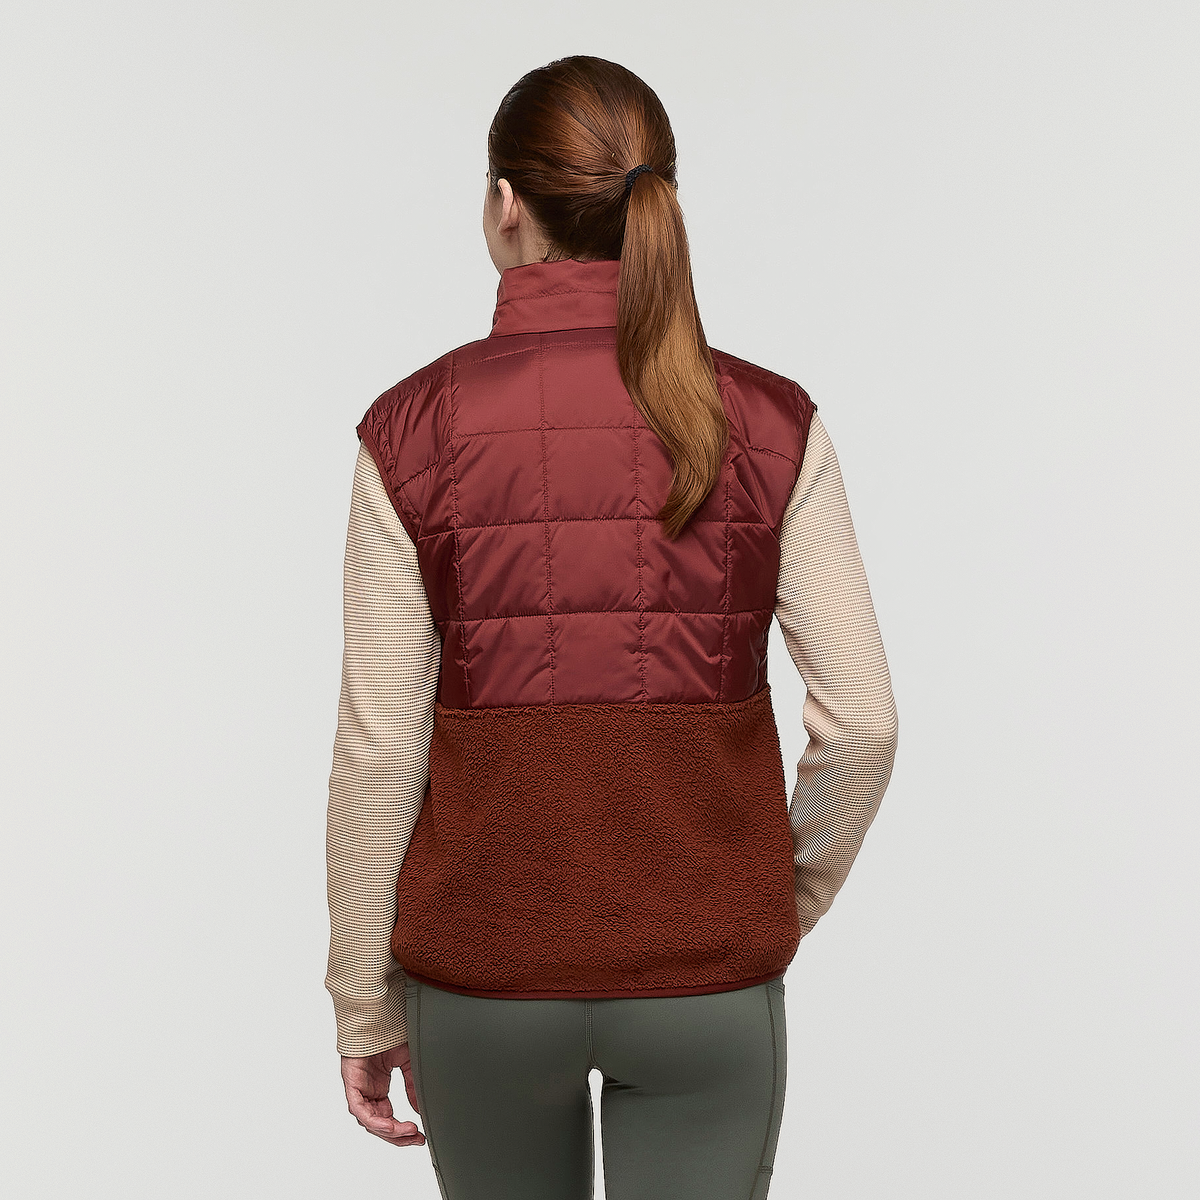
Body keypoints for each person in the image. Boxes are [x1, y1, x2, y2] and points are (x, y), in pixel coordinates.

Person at [325, 54, 898, 1200]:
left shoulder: (412, 429)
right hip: (706, 988)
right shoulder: (775, 422)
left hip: (484, 985)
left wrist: (362, 998)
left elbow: (381, 747)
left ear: (506, 204)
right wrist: (764, 904)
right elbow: (866, 725)